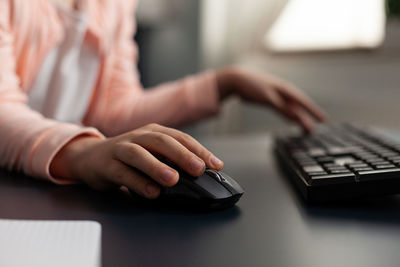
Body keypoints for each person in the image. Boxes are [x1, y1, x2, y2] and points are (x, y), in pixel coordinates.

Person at [0, 0, 325, 199]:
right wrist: (83, 151)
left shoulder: (113, 4)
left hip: (58, 188)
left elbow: (114, 109)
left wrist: (223, 84)